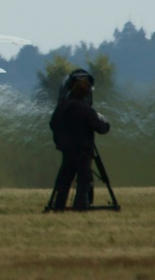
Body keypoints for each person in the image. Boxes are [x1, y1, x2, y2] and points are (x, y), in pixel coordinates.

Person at [49, 69, 110, 211]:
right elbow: (101, 129)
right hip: (83, 151)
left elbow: (53, 124)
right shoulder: (87, 110)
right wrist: (105, 122)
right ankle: (80, 207)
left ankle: (59, 207)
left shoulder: (62, 107)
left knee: (64, 180)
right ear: (87, 93)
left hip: (67, 150)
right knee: (84, 181)